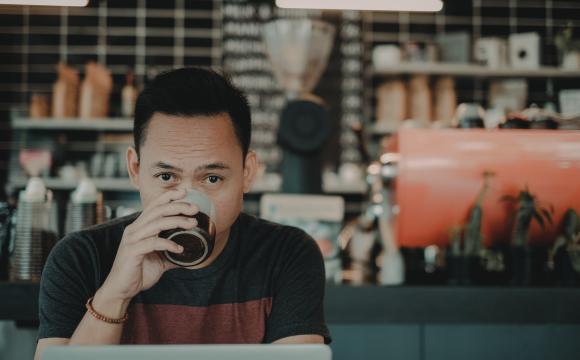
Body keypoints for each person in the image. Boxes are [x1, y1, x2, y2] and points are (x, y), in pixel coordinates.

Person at [34, 67, 330, 360]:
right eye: (166, 177)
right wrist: (115, 294)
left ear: (247, 173)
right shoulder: (80, 257)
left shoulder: (287, 254)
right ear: (135, 169)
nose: (188, 202)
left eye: (212, 178)